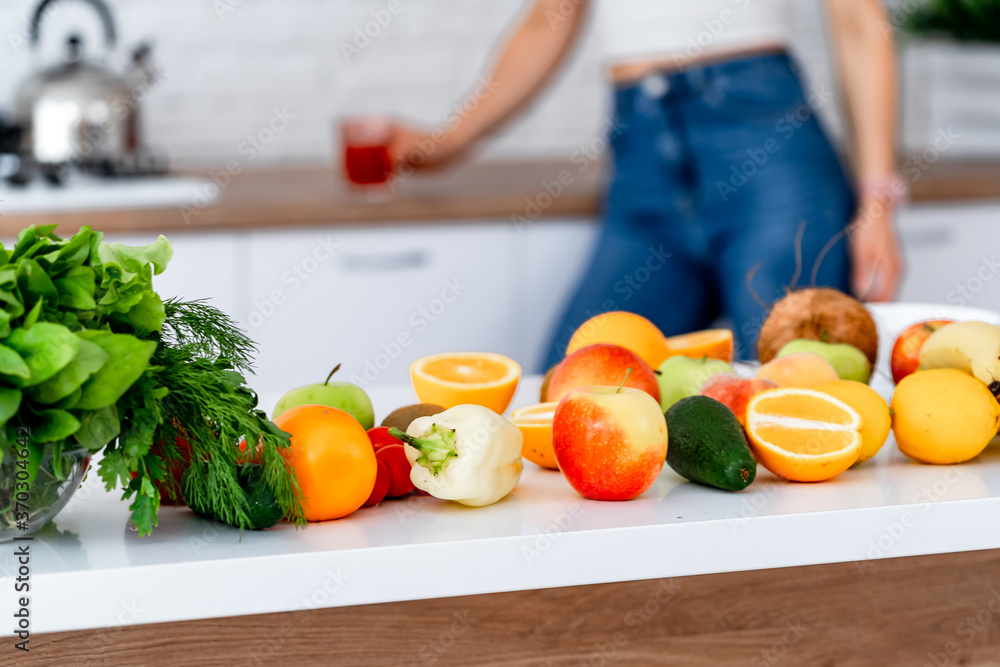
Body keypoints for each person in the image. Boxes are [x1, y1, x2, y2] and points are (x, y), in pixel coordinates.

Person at [386, 0, 904, 366]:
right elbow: (550, 17)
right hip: (642, 161)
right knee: (571, 387)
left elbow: (857, 16)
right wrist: (447, 142)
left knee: (796, 391)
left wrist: (877, 202)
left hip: (769, 155)